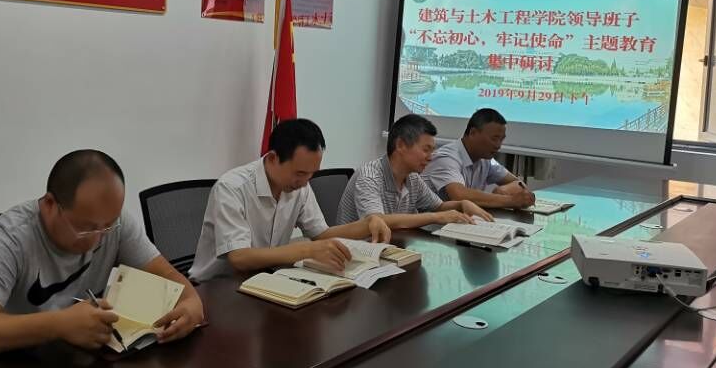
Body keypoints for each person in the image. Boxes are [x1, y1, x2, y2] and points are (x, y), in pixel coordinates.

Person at [0, 150, 205, 358]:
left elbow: (168, 276)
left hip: (80, 363)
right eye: (85, 228)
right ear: (49, 205)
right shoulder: (12, 238)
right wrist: (59, 325)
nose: (98, 239)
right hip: (18, 366)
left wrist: (192, 303)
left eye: (107, 226)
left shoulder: (114, 223)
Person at [188, 119, 391, 282]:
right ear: (273, 158)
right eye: (300, 173)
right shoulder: (232, 188)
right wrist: (307, 250)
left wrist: (367, 224)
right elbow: (239, 258)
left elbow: (322, 233)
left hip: (265, 279)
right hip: (217, 287)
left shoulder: (299, 186)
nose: (305, 182)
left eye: (312, 174)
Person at [336, 114, 492, 229]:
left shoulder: (413, 178)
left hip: (391, 248)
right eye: (426, 150)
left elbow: (438, 207)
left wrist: (462, 204)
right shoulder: (369, 176)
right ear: (401, 145)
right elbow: (376, 221)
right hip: (357, 252)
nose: (430, 157)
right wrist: (435, 217)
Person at [422, 108, 535, 210]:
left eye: (501, 139)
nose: (498, 145)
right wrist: (510, 200)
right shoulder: (447, 157)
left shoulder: (486, 160)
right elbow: (459, 195)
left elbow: (517, 182)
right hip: (427, 222)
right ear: (473, 133)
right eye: (494, 138)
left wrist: (504, 190)